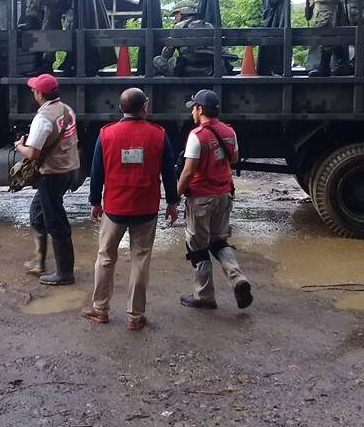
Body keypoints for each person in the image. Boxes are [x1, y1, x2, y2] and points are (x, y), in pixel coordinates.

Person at [81, 88, 180, 331]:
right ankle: (135, 316)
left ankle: (100, 309)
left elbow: (96, 173)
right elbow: (169, 171)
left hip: (114, 208)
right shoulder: (158, 135)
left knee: (105, 257)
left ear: (121, 108)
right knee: (141, 259)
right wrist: (172, 202)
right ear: (144, 107)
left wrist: (95, 202)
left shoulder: (106, 135)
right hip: (146, 209)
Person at [176, 89, 253, 310]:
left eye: (193, 107)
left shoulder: (197, 135)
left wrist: (176, 195)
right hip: (224, 194)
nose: (192, 111)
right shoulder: (229, 131)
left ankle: (204, 296)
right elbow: (235, 158)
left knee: (198, 247)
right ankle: (238, 279)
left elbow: (189, 172)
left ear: (200, 109)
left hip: (201, 198)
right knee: (219, 241)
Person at [13, 73, 80, 285]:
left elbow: (32, 153)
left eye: (34, 90)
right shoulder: (66, 110)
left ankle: (65, 273)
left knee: (56, 221)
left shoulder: (43, 118)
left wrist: (18, 146)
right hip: (68, 170)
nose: (33, 92)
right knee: (37, 213)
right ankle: (39, 261)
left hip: (52, 174)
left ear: (40, 94)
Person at [152, 2, 222, 76]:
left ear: (182, 13)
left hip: (185, 69)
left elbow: (166, 54)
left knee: (157, 60)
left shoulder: (178, 27)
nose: (175, 17)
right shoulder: (208, 25)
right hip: (208, 69)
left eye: (176, 14)